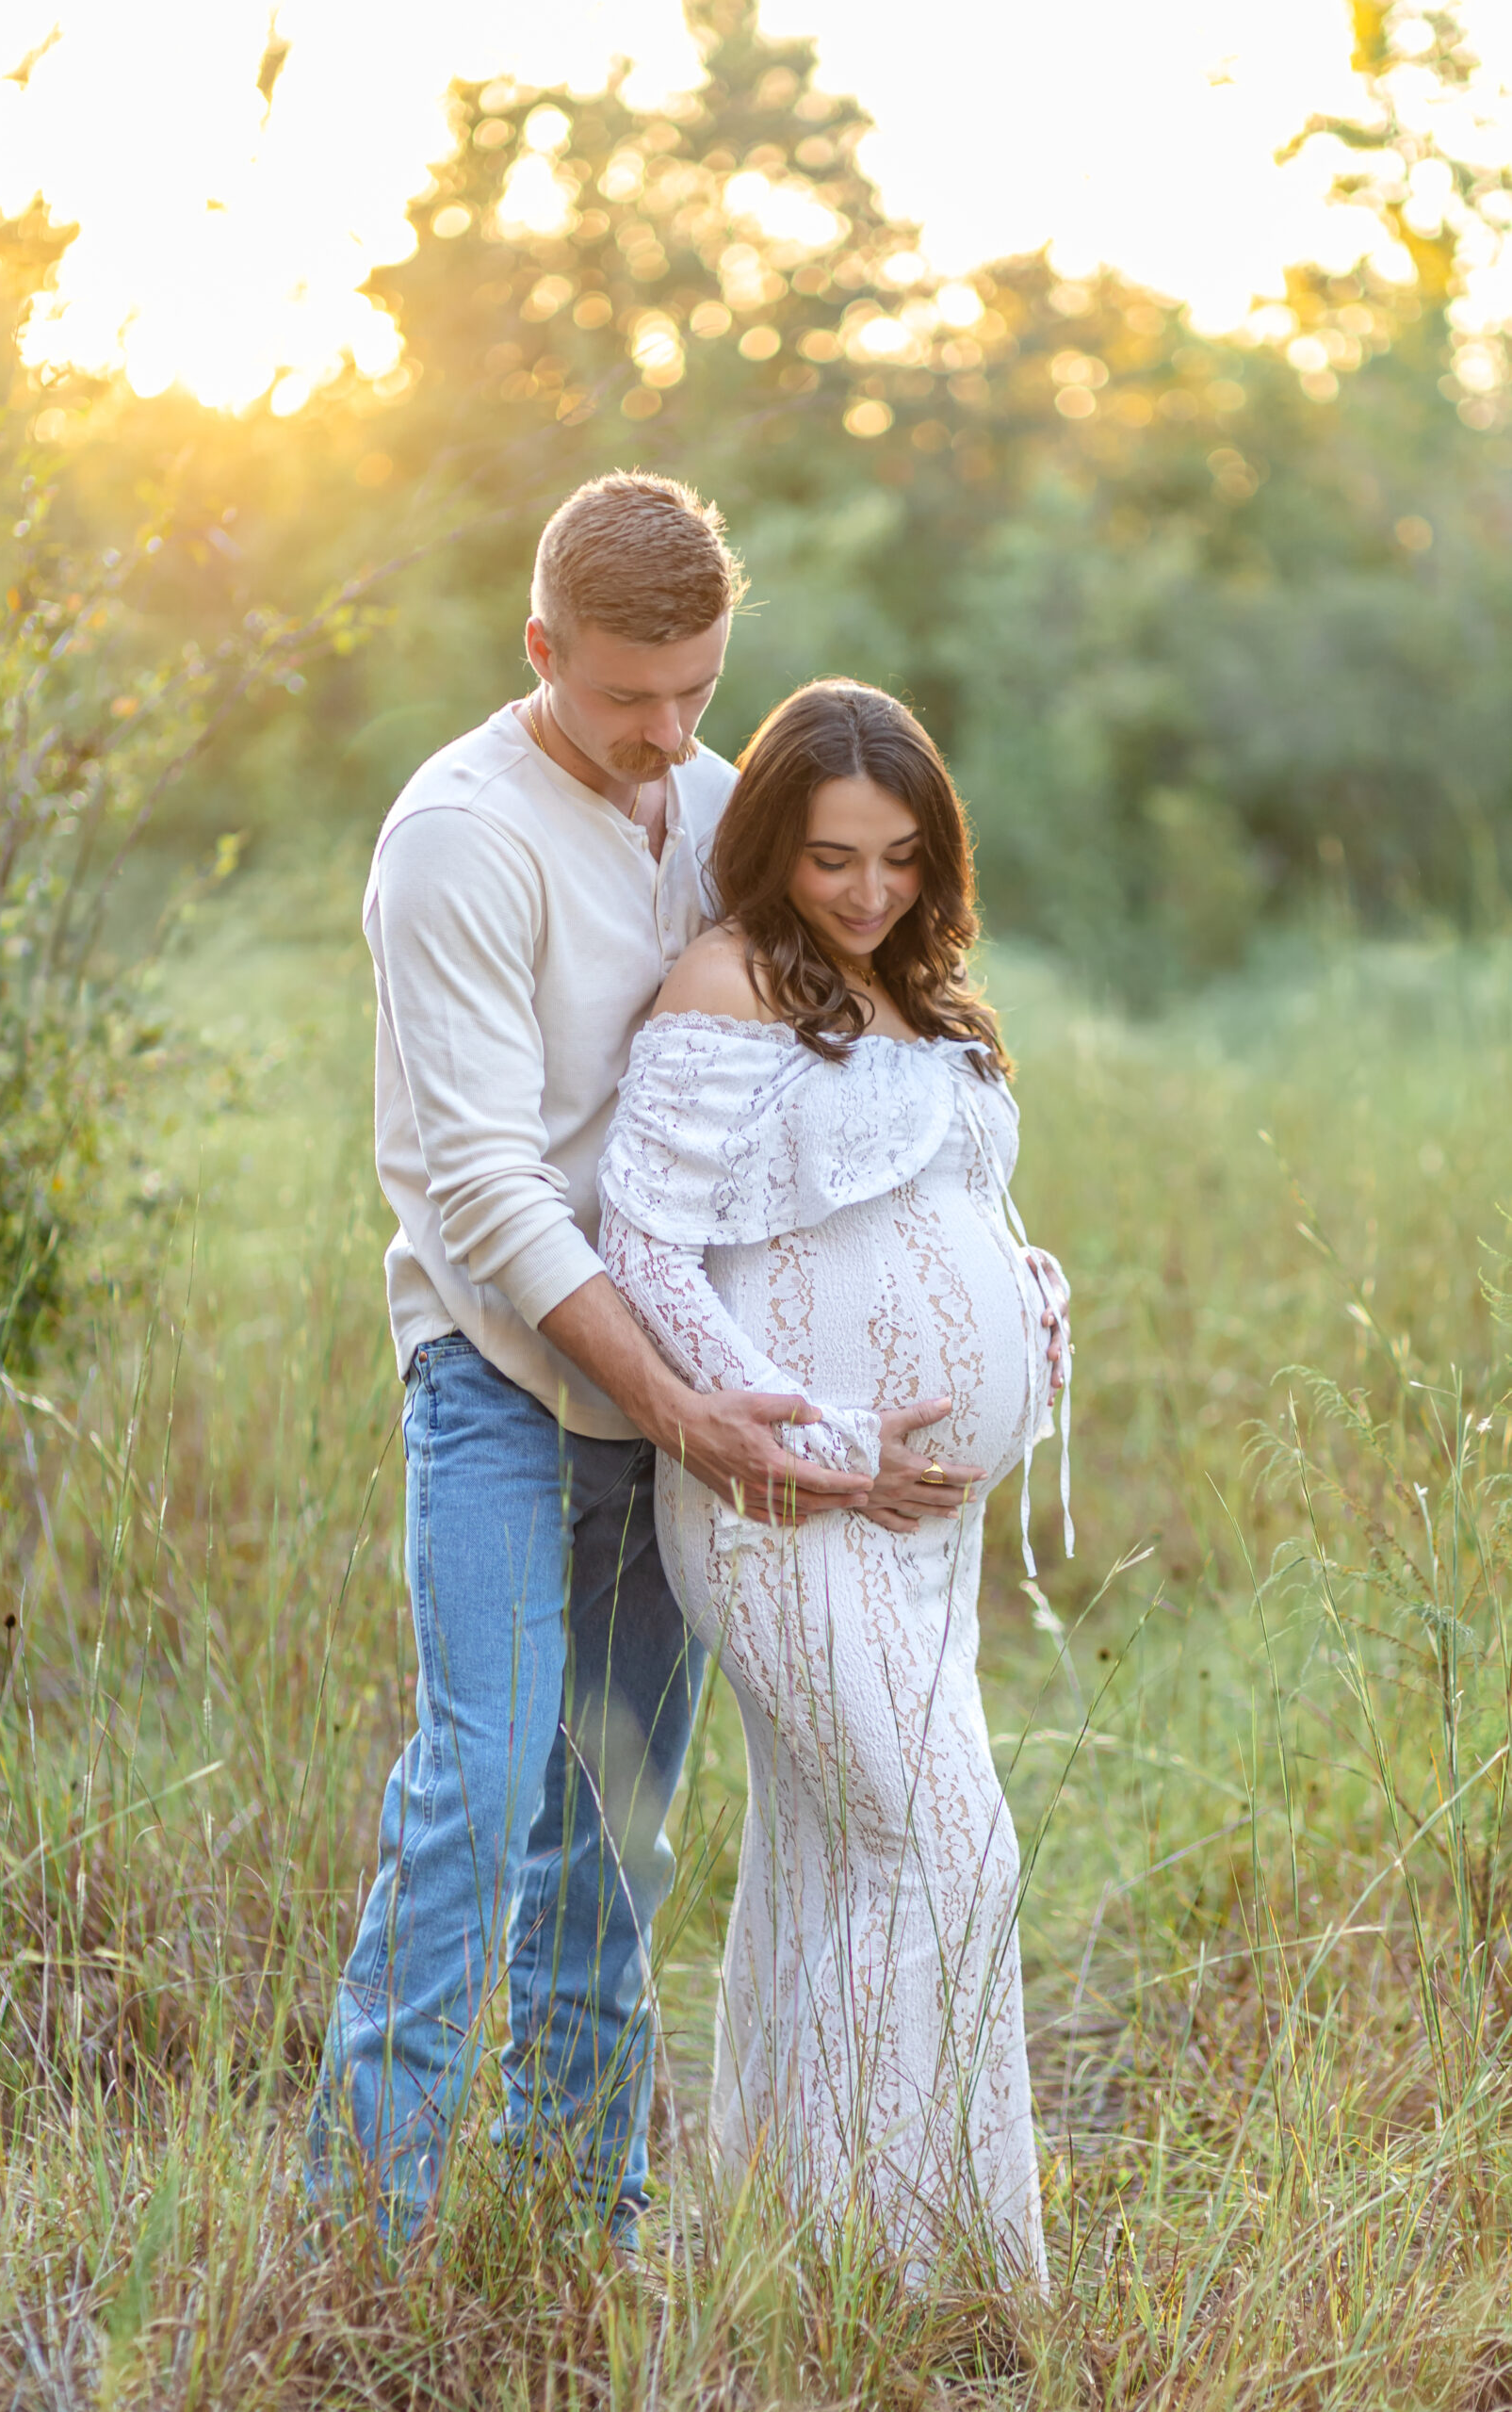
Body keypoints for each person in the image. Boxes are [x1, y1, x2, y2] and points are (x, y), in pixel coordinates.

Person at [309, 479, 969, 2236]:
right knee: (483, 1778)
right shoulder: (460, 837)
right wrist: (678, 1406)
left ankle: (582, 2219)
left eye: (698, 688)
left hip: (680, 1394)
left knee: (618, 1831)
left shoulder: (701, 793)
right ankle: (358, 2231)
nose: (671, 735)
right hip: (508, 1386)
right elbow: (485, 1190)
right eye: (628, 698)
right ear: (542, 651)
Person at [598, 678, 1071, 2284]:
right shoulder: (725, 980)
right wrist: (813, 1439)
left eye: (899, 859)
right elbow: (646, 1247)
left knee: (839, 1855)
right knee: (946, 1848)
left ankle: (809, 2262)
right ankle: (871, 2270)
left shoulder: (918, 996)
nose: (868, 894)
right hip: (788, 1505)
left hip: (922, 1528)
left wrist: (1023, 1296)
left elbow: (918, 1206)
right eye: (830, 862)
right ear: (771, 855)